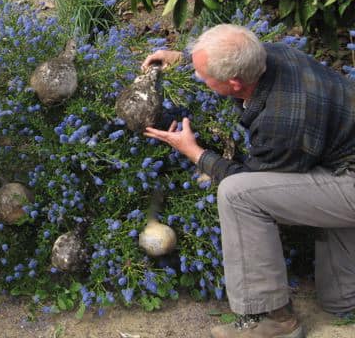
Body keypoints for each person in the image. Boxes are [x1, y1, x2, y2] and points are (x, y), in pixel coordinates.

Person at [142, 24, 355, 338]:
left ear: (234, 83)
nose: (199, 78)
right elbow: (228, 58)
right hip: (341, 160)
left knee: (238, 195)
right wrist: (183, 58)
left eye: (203, 75)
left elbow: (252, 181)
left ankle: (274, 321)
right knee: (342, 301)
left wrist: (195, 152)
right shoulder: (274, 53)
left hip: (347, 178)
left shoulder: (282, 123)